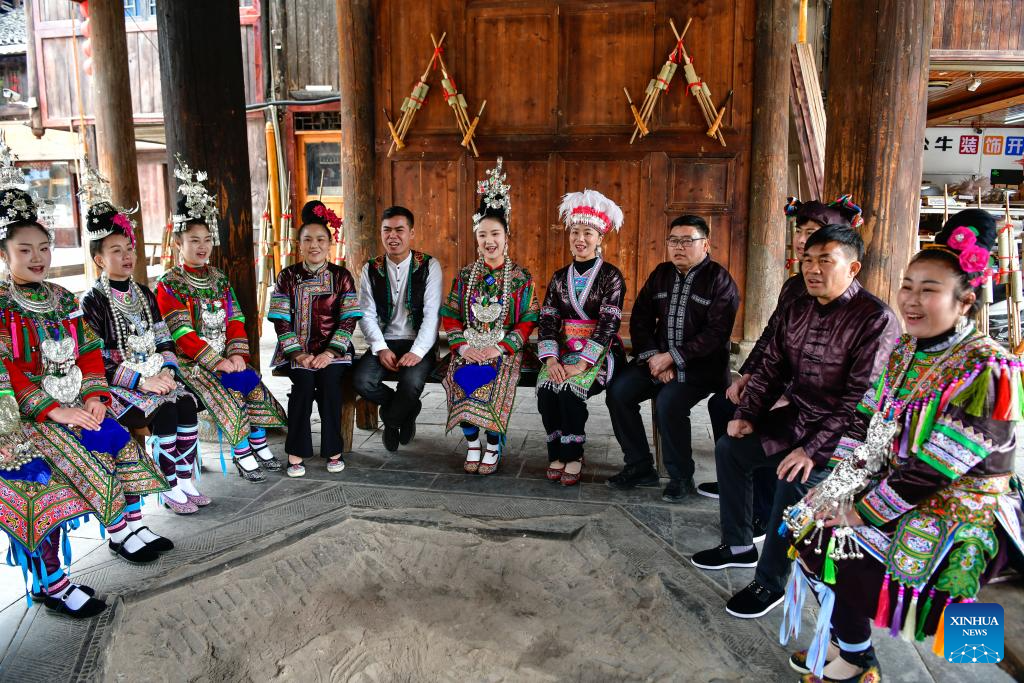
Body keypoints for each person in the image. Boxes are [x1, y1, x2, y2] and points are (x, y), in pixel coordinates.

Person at [780, 209, 1022, 682]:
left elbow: (936, 467)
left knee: (840, 540)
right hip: (900, 488)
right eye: (907, 286)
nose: (911, 300)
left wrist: (860, 510)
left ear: (966, 301)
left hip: (964, 510)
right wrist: (837, 485)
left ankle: (940, 656)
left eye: (929, 290)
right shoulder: (904, 352)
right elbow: (866, 424)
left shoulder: (988, 369)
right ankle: (854, 651)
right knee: (804, 520)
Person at [691, 225, 899, 622]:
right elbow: (771, 366)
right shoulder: (797, 307)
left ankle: (770, 582)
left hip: (850, 435)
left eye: (826, 261)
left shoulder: (875, 319)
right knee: (731, 448)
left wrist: (812, 450)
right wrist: (748, 414)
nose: (813, 269)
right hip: (800, 415)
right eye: (807, 260)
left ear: (853, 267)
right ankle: (737, 546)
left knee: (793, 479)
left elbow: (858, 401)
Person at [0, 168, 169, 617]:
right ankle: (50, 583)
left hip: (75, 405)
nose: (38, 257)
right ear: (4, 254)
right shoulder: (0, 305)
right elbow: (9, 372)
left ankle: (124, 530)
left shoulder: (61, 297)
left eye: (43, 248)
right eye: (24, 250)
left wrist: (95, 397)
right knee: (43, 485)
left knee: (115, 438)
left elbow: (90, 352)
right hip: (19, 422)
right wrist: (55, 411)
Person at [700, 196, 865, 538]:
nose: (803, 239)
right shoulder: (795, 285)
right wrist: (748, 376)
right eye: (800, 232)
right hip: (785, 387)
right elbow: (772, 341)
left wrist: (783, 395)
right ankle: (739, 488)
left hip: (814, 408)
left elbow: (844, 384)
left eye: (813, 232)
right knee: (725, 405)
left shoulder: (863, 311)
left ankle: (760, 508)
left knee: (758, 424)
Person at [79, 168, 205, 514]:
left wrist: (167, 372)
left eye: (129, 248)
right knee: (164, 411)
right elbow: (96, 359)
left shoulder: (145, 294)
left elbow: (165, 340)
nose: (126, 256)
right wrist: (141, 380)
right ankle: (167, 485)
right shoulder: (93, 301)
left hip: (155, 377)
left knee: (186, 404)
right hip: (120, 384)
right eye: (116, 250)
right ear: (99, 259)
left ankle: (183, 479)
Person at [156, 157, 286, 483]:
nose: (202, 247)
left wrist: (237, 354)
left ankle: (257, 439)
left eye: (206, 239)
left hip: (225, 357)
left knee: (251, 381)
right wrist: (216, 361)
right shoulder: (169, 283)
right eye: (193, 241)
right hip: (190, 362)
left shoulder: (219, 278)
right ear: (178, 244)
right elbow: (181, 331)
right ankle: (241, 449)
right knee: (225, 390)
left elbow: (235, 318)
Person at [606, 214, 739, 502]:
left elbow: (716, 334)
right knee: (618, 392)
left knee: (670, 402)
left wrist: (673, 358)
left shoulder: (719, 280)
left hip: (700, 368)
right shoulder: (661, 274)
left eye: (687, 241)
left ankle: (681, 477)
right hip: (657, 361)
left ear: (705, 245)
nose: (679, 247)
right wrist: (655, 357)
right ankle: (640, 465)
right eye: (673, 241)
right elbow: (640, 318)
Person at [441, 158, 538, 475]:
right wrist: (464, 347)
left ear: (507, 236)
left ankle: (494, 444)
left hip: (504, 349)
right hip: (468, 345)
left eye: (495, 234)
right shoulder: (466, 275)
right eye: (482, 235)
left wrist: (499, 348)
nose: (489, 241)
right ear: (476, 238)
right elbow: (451, 314)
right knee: (461, 380)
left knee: (493, 384)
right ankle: (471, 442)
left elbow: (528, 318)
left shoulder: (521, 277)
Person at [536, 189, 626, 486]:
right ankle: (557, 452)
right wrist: (550, 358)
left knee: (569, 389)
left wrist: (583, 364)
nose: (581, 239)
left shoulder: (611, 276)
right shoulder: (560, 276)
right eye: (575, 231)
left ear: (601, 238)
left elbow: (608, 323)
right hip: (562, 351)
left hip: (599, 353)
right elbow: (548, 318)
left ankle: (573, 455)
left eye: (588, 232)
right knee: (548, 388)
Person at [269, 200, 361, 477]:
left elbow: (349, 318)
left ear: (330, 244)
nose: (314, 245)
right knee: (303, 388)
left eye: (321, 239)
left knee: (331, 386)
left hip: (335, 351)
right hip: (299, 352)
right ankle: (296, 452)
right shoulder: (286, 277)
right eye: (307, 239)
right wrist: (299, 354)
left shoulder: (342, 277)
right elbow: (280, 321)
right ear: (299, 245)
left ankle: (334, 449)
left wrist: (329, 353)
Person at [354, 205, 442, 451]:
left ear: (411, 233)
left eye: (399, 230)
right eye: (387, 230)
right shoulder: (371, 268)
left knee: (411, 383)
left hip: (418, 342)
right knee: (362, 381)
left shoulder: (429, 265)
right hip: (386, 340)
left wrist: (418, 351)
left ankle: (392, 421)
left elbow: (432, 313)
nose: (393, 236)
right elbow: (366, 313)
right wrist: (380, 348)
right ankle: (407, 409)